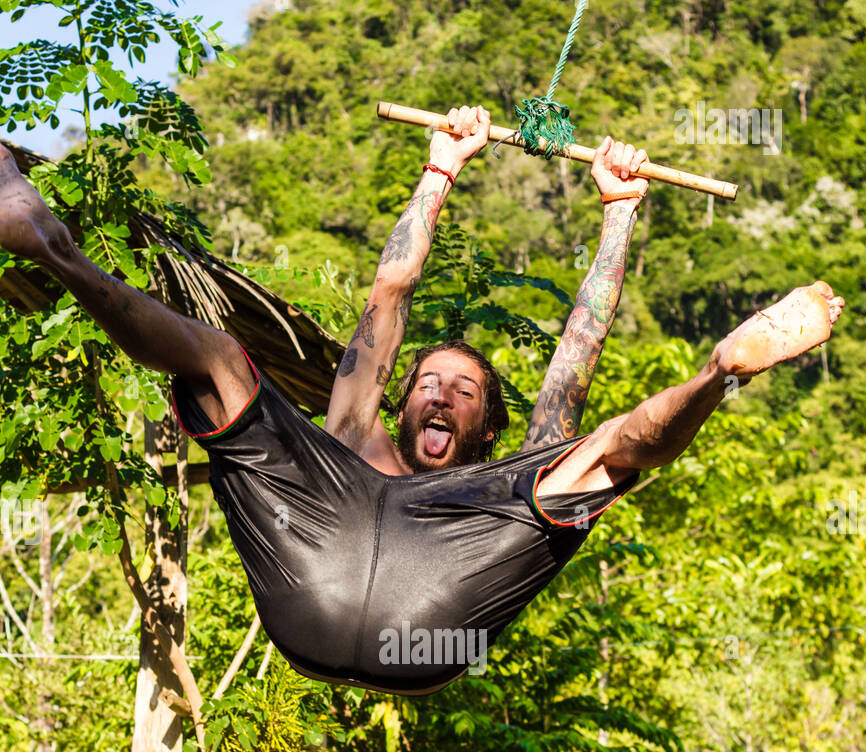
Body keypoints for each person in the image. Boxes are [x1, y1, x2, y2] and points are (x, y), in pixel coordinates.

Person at [0, 108, 844, 695]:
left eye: (465, 392)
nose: (440, 394)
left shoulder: (511, 473)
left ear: (487, 424)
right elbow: (391, 287)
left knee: (594, 454)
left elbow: (577, 346)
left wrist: (619, 213)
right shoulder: (352, 427)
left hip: (435, 605)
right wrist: (440, 168)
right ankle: (52, 247)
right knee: (223, 361)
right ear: (400, 401)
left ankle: (719, 372)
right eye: (429, 383)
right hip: (316, 568)